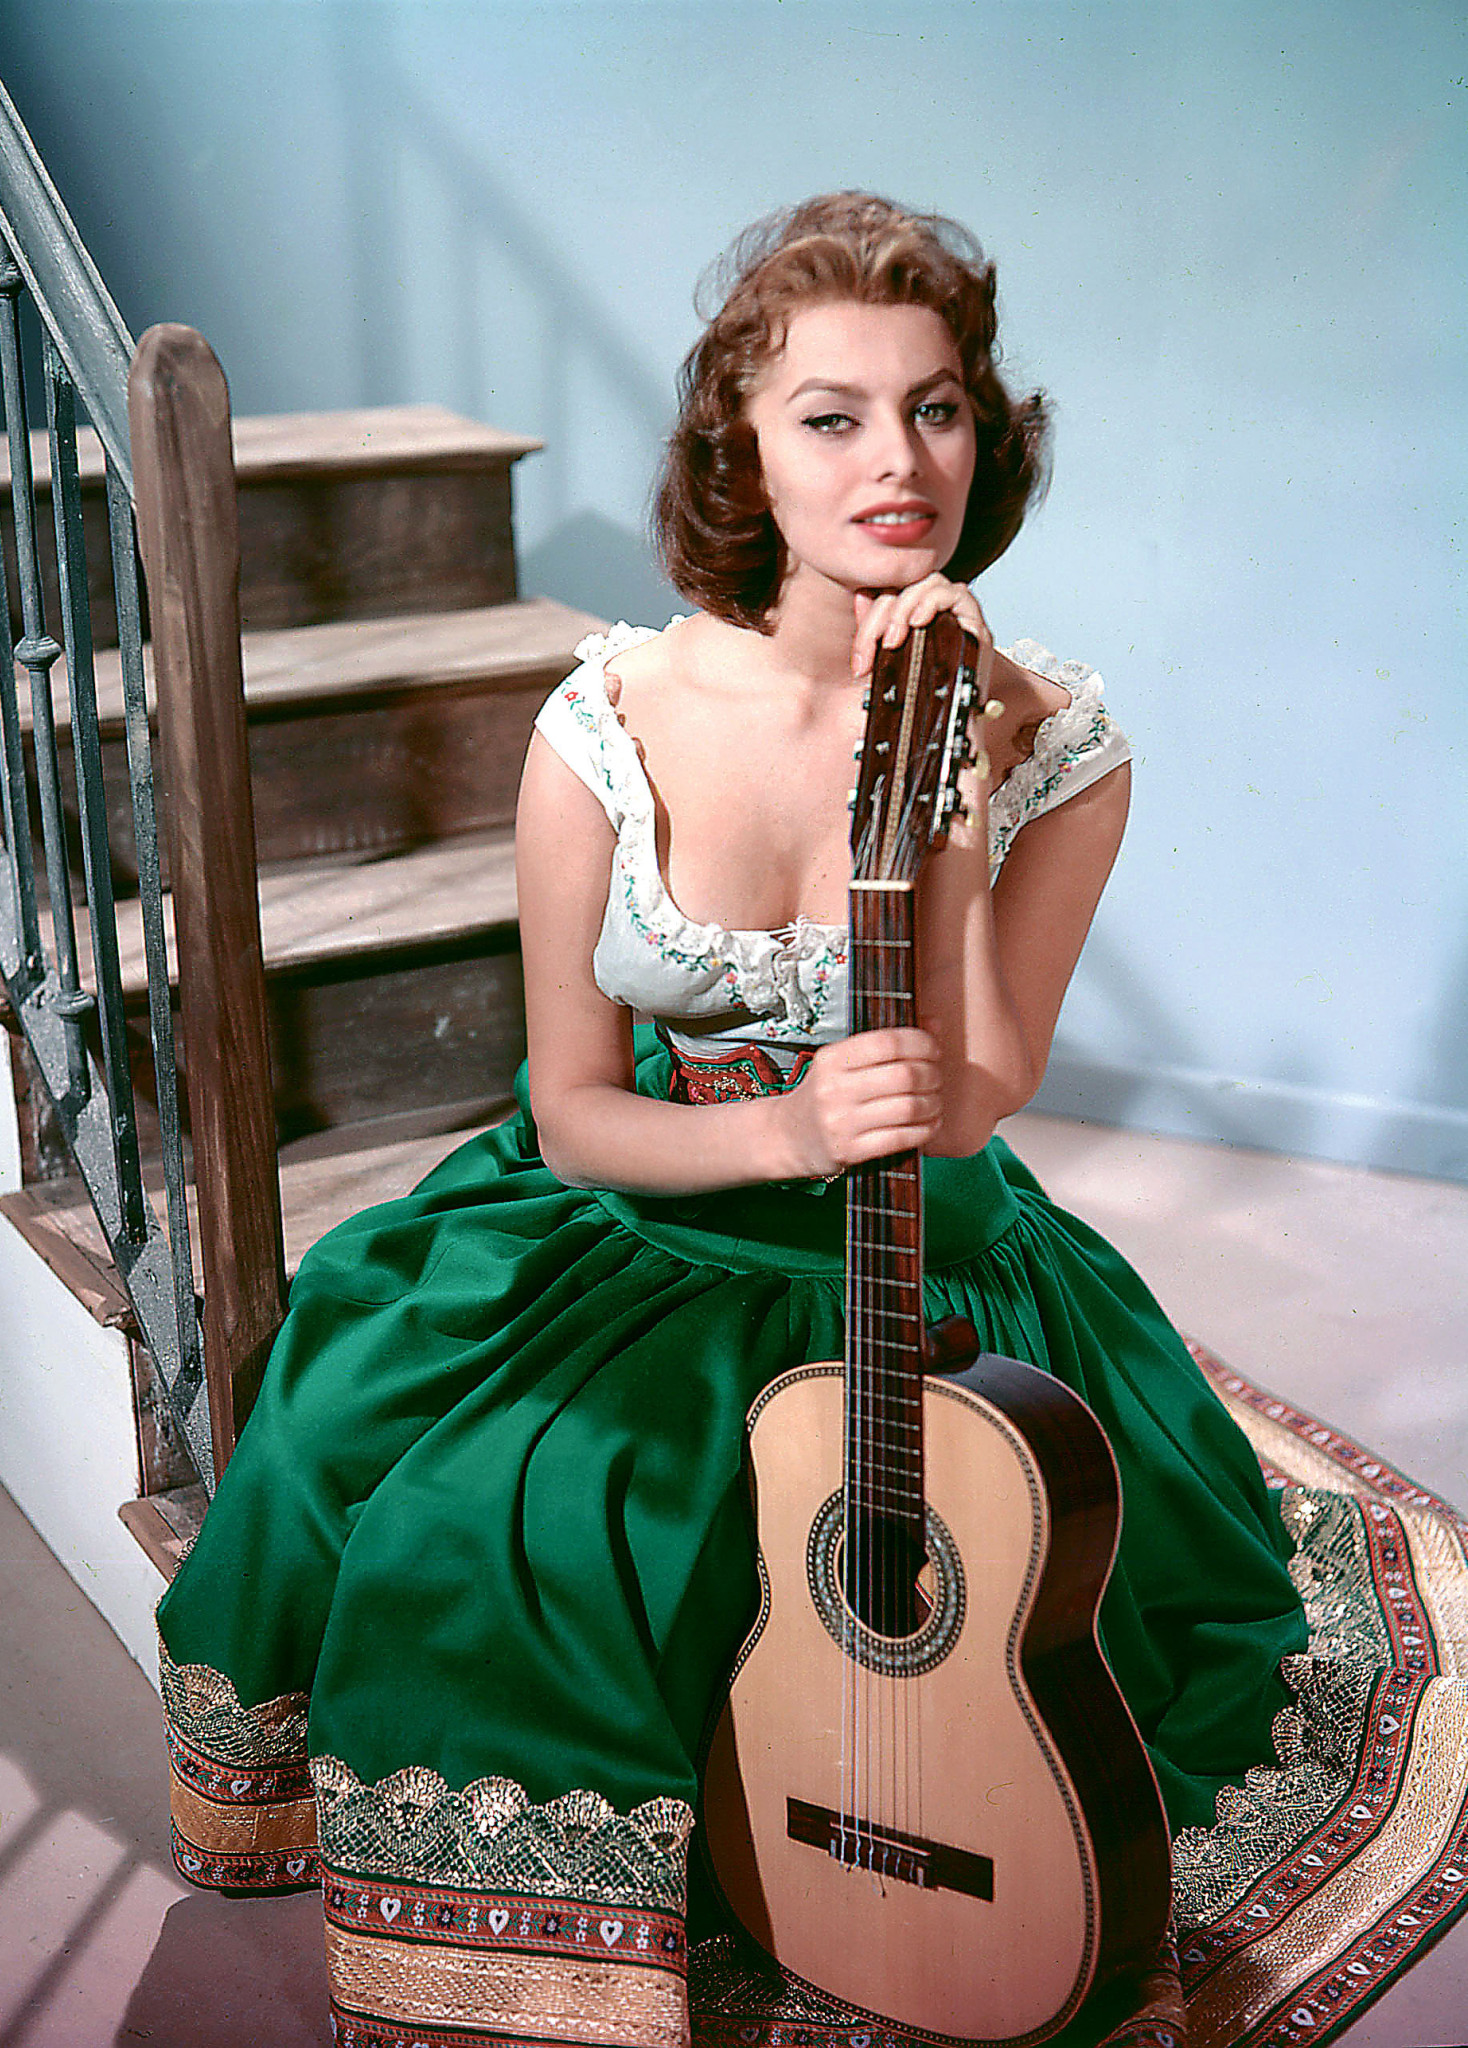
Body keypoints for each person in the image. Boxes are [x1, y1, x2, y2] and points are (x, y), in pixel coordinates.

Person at [156, 193, 1308, 2048]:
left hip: (926, 1239)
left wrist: (956, 800)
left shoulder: (1063, 740)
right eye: (830, 417)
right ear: (740, 453)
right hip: (654, 1201)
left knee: (1040, 1611)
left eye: (937, 409)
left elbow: (972, 1097)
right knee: (498, 1528)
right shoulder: (601, 723)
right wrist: (781, 1135)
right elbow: (573, 1109)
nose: (897, 462)